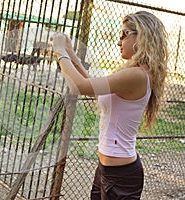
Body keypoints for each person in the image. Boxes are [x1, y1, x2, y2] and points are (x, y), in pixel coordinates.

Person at [50, 11, 168, 199]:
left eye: (124, 34)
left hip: (121, 176)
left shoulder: (136, 75)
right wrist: (70, 54)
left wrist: (59, 52)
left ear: (142, 36)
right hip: (107, 170)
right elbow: (92, 87)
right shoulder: (133, 73)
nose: (119, 41)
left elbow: (80, 87)